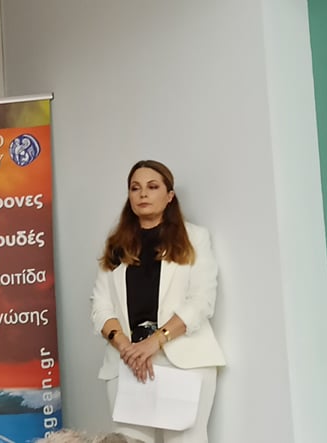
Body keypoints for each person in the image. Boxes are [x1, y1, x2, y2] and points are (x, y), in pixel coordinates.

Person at [90, 160, 226, 443]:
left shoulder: (195, 238)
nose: (143, 194)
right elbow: (100, 306)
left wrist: (155, 342)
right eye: (135, 188)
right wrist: (127, 348)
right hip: (126, 362)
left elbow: (201, 301)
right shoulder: (116, 244)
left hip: (183, 359)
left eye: (152, 187)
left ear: (169, 195)